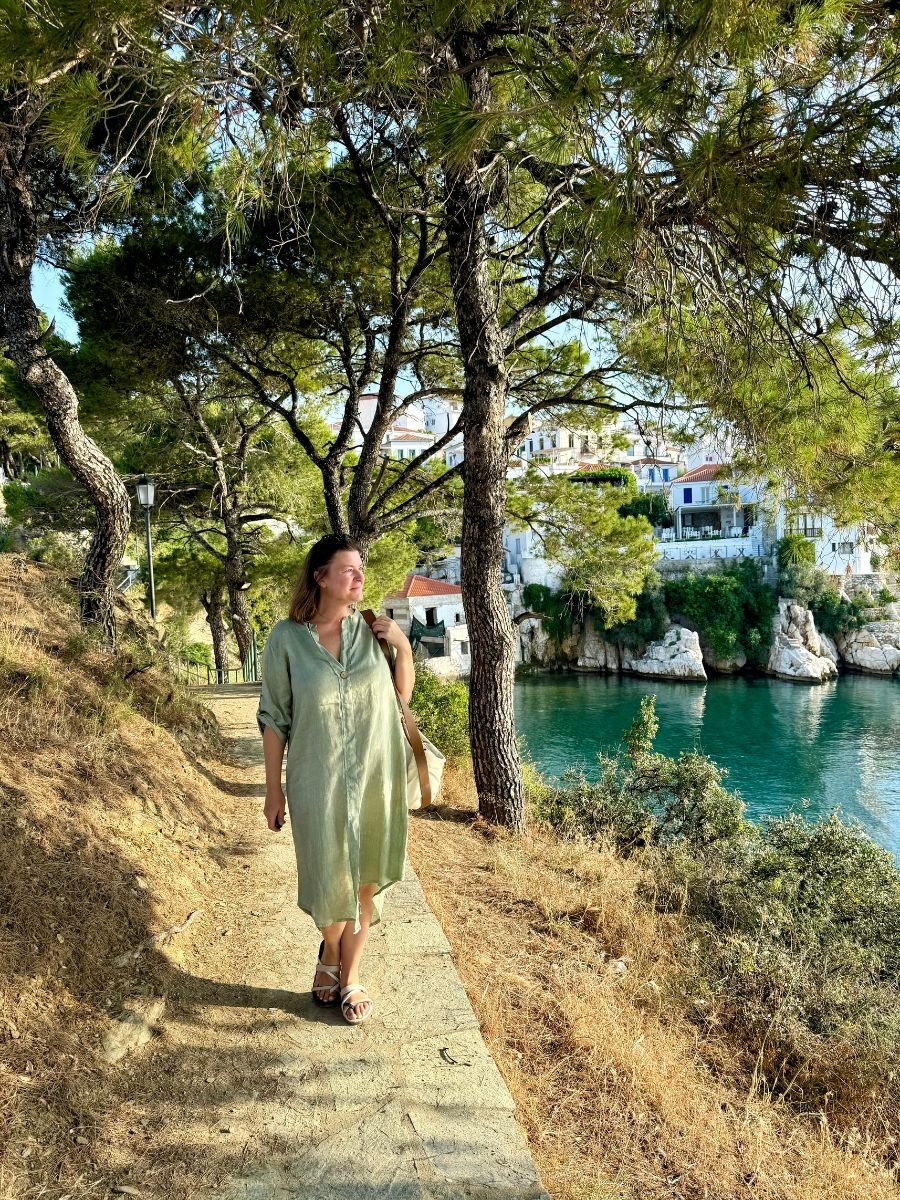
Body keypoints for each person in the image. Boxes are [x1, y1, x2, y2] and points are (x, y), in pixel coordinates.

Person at [255, 533, 414, 1025]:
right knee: (327, 880)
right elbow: (274, 717)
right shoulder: (285, 639)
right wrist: (273, 790)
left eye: (361, 568)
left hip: (374, 778)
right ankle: (330, 948)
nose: (360, 577)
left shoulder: (373, 631)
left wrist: (403, 649)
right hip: (316, 781)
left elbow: (398, 704)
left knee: (366, 880)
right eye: (349, 570)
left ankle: (349, 974)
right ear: (321, 577)